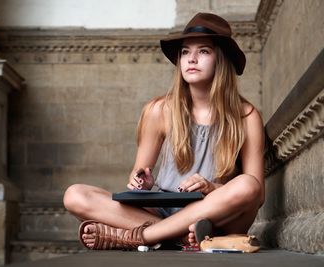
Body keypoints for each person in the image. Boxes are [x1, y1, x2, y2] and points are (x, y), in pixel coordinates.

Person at [63, 12, 265, 250]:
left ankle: (143, 238)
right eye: (185, 52)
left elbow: (257, 196)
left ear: (221, 58)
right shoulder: (158, 110)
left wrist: (211, 188)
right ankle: (179, 237)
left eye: (203, 51)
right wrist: (143, 182)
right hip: (168, 213)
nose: (191, 59)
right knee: (75, 195)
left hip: (213, 213)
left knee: (248, 185)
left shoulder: (246, 116)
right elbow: (137, 178)